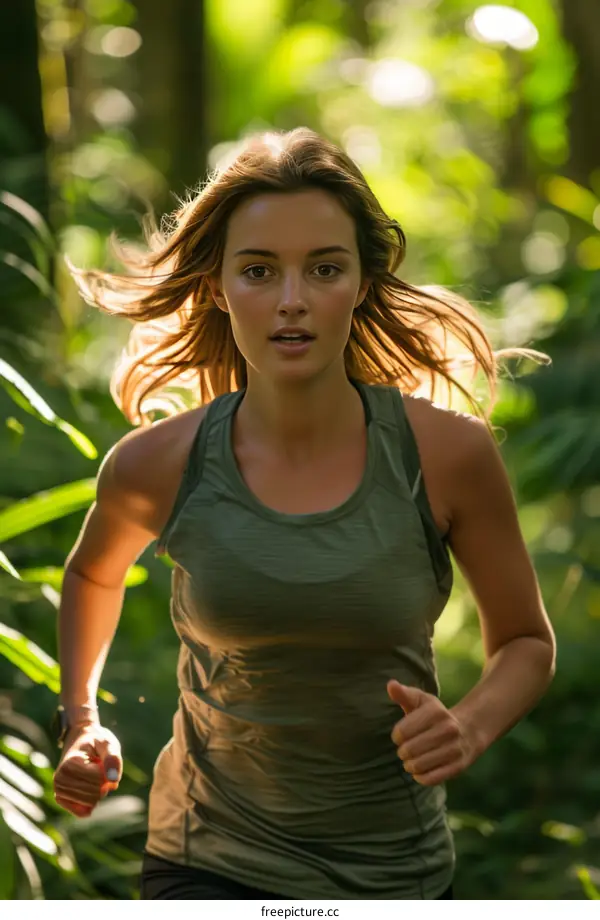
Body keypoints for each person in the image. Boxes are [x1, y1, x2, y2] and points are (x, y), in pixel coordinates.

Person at [52, 127, 556, 900]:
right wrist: (81, 718)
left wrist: (469, 725)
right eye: (259, 271)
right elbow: (92, 574)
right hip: (204, 859)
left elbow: (525, 641)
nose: (292, 300)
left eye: (324, 268)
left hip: (396, 872)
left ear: (362, 282)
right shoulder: (155, 464)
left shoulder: (447, 455)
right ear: (217, 287)